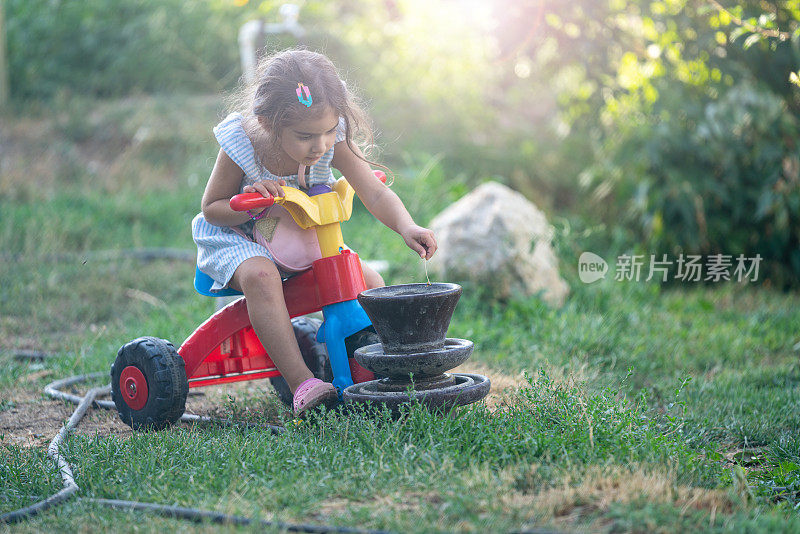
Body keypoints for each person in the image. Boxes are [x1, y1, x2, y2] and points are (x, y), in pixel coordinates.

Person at [192, 49, 437, 416]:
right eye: (306, 135)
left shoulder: (329, 139)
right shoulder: (243, 143)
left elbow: (374, 190)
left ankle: (389, 366)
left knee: (367, 278)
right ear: (267, 122)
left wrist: (407, 225)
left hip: (299, 236)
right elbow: (211, 207)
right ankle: (301, 382)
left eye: (327, 131)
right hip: (239, 236)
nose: (320, 145)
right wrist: (253, 203)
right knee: (262, 277)